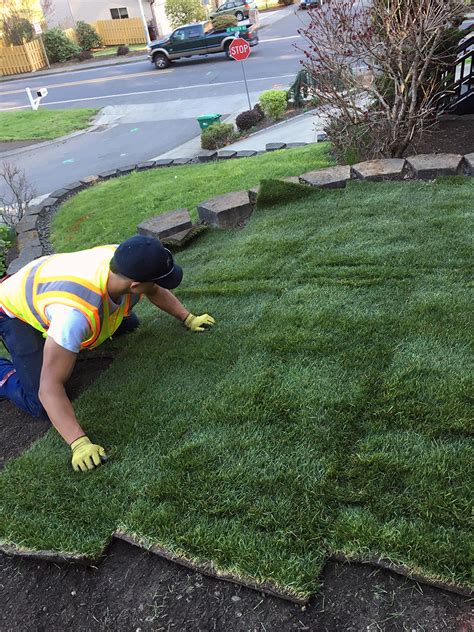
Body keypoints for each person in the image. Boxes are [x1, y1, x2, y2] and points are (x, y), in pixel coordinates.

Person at [0, 235, 215, 473]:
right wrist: (79, 443)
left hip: (46, 278)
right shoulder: (72, 317)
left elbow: (153, 289)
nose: (160, 284)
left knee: (129, 323)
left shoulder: (122, 258)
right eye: (157, 280)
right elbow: (49, 388)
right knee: (40, 403)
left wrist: (188, 317)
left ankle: (59, 347)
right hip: (12, 305)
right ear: (134, 285)